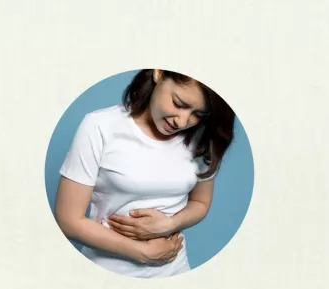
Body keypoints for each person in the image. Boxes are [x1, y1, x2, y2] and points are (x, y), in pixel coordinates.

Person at [55, 70, 236, 278]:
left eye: (198, 114)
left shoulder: (201, 138)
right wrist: (142, 253)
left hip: (175, 270)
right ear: (159, 73)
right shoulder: (100, 126)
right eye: (178, 104)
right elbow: (69, 221)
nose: (182, 121)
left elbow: (200, 203)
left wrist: (170, 224)